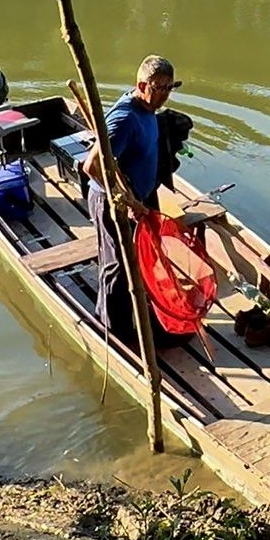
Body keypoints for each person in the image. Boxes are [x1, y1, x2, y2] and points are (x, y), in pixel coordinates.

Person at [85, 54, 182, 349]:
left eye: (169, 87)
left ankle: (145, 318)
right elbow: (92, 166)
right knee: (118, 266)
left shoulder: (149, 109)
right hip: (113, 202)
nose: (164, 95)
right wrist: (125, 200)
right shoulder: (124, 118)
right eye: (159, 87)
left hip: (141, 197)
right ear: (141, 84)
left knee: (144, 261)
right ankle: (114, 333)